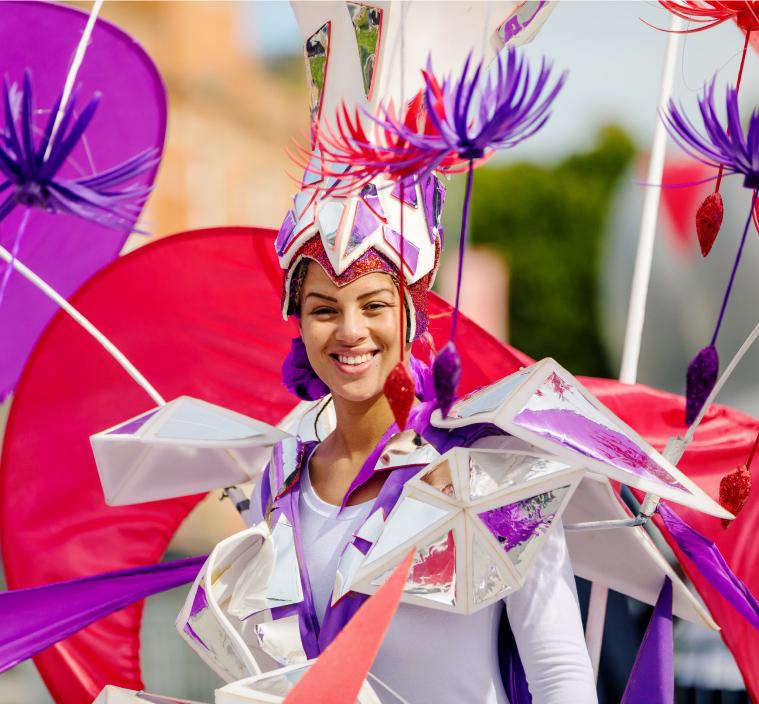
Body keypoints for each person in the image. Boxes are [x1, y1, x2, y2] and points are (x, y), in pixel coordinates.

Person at [244, 226, 598, 703]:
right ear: (300, 324)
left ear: (410, 315)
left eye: (374, 306)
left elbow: (561, 675)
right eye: (324, 309)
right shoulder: (278, 483)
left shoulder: (488, 465)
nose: (350, 331)